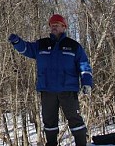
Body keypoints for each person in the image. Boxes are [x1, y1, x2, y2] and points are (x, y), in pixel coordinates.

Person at [8, 14, 93, 146]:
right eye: (52, 25)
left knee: (75, 120)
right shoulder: (41, 45)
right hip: (47, 90)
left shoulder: (73, 46)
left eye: (57, 25)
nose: (54, 27)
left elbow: (84, 65)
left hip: (68, 90)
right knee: (49, 122)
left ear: (64, 27)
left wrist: (87, 82)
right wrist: (17, 42)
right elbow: (26, 49)